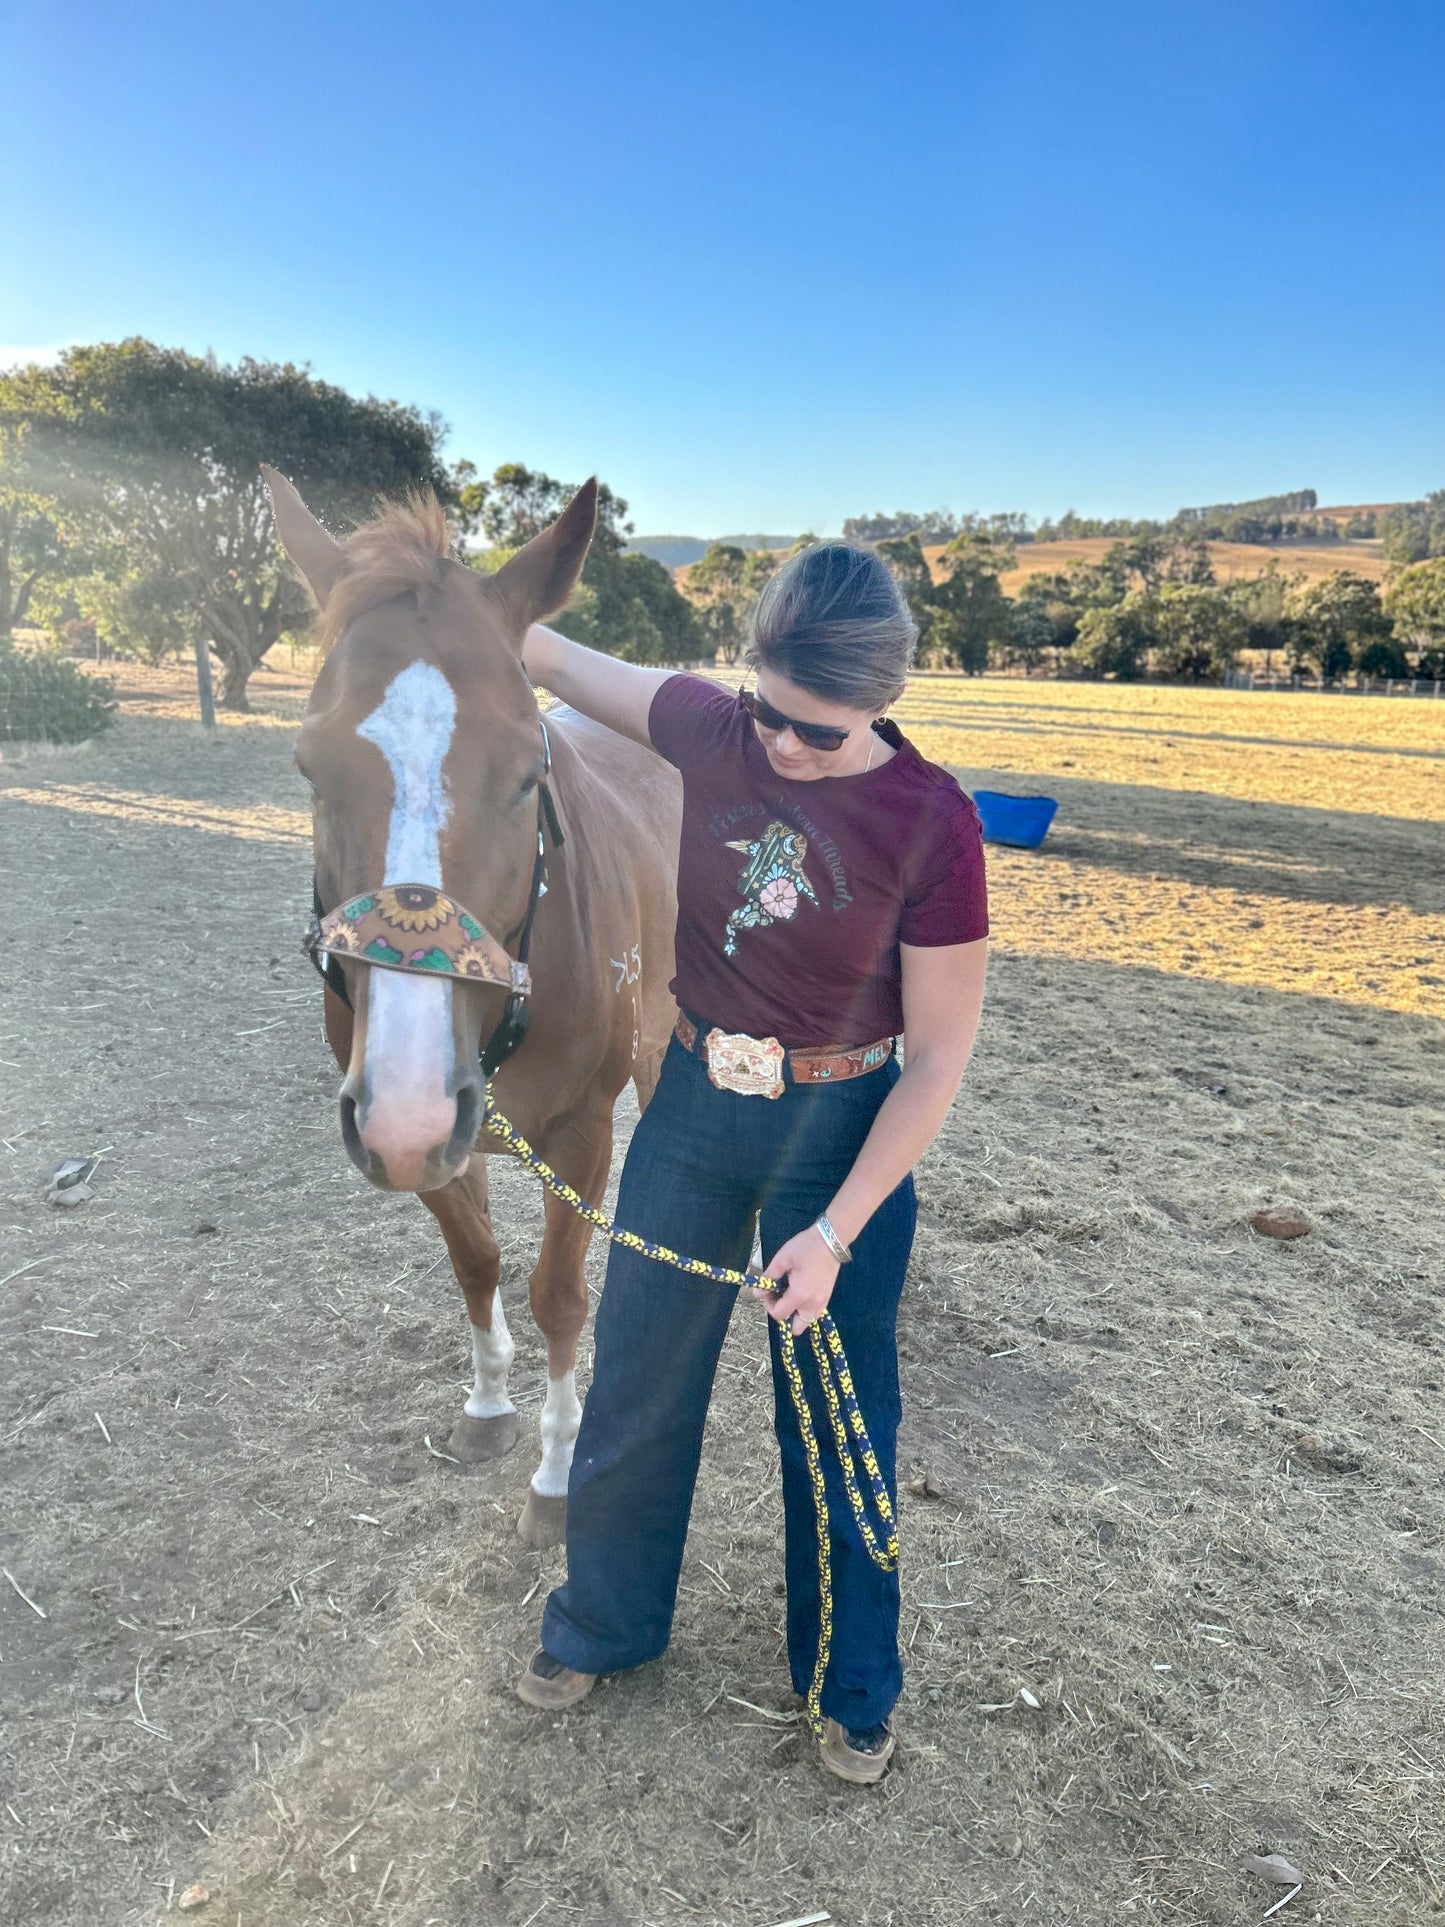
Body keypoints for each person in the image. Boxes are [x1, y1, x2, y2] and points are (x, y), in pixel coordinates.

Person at [514, 542, 988, 1783]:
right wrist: (444, 593)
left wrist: (833, 1233)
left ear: (881, 703)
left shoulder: (931, 820)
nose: (782, 746)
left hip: (840, 1132)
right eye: (766, 712)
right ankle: (603, 1623)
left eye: (818, 733)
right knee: (635, 1377)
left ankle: (848, 1679)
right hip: (691, 1110)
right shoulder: (710, 728)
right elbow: (543, 650)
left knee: (836, 1410)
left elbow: (936, 1057)